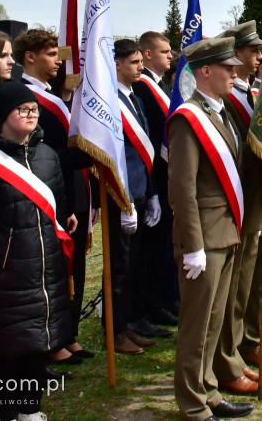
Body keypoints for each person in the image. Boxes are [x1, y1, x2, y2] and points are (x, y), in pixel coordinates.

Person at [0, 81, 76, 421]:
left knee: (36, 344)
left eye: (34, 109)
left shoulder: (47, 155)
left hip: (45, 271)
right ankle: (2, 411)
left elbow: (57, 206)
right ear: (4, 114)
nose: (32, 115)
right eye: (23, 109)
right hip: (4, 271)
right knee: (5, 348)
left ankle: (31, 409)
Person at [168, 37, 254, 420]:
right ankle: (191, 403)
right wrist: (192, 244)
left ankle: (209, 391)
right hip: (203, 236)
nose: (234, 74)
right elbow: (182, 187)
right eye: (228, 68)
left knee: (214, 321)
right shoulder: (189, 119)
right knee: (196, 325)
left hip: (226, 231)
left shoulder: (220, 113)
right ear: (205, 71)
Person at [214, 21, 262, 394]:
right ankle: (234, 352)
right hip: (243, 203)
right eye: (254, 50)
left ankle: (250, 341)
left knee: (260, 277)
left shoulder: (253, 93)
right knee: (239, 286)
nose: (261, 56)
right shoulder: (228, 100)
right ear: (235, 54)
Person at [13, 27, 95, 366]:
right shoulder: (20, 95)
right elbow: (36, 152)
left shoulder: (52, 96)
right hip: (44, 191)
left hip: (69, 187)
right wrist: (82, 153)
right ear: (30, 57)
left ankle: (69, 333)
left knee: (74, 265)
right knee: (55, 270)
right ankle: (54, 341)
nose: (58, 62)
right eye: (51, 54)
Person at [109, 38, 163, 354]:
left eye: (141, 62)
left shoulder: (136, 100)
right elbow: (114, 157)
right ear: (116, 64)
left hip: (142, 194)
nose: (140, 68)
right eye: (134, 63)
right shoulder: (109, 101)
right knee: (120, 268)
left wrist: (152, 194)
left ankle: (128, 325)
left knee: (135, 266)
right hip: (122, 197)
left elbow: (146, 154)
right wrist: (125, 197)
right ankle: (114, 332)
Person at [133, 31, 180, 328]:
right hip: (153, 177)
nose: (171, 56)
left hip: (165, 178)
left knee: (162, 245)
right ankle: (147, 307)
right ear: (147, 54)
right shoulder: (142, 87)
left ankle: (160, 301)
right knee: (149, 250)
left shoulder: (161, 86)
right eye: (164, 52)